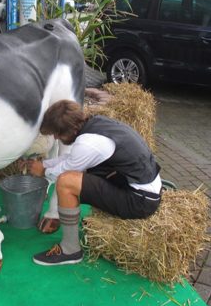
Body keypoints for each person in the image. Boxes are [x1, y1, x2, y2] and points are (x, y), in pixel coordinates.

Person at [25, 100, 162, 266]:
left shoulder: (88, 143)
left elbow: (64, 170)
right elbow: (72, 157)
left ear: (71, 130)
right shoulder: (94, 124)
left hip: (140, 201)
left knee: (66, 182)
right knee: (80, 175)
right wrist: (44, 164)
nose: (55, 138)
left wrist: (43, 171)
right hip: (141, 188)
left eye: (57, 134)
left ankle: (70, 250)